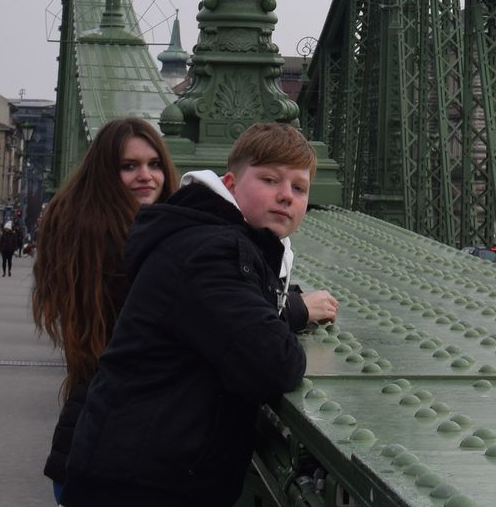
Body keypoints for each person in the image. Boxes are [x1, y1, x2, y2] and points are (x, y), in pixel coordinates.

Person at [62, 121, 325, 507]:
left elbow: (229, 328)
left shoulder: (208, 236)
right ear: (230, 184)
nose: (285, 195)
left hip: (139, 471)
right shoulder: (211, 253)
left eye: (299, 188)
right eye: (270, 180)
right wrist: (290, 317)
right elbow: (274, 362)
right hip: (144, 485)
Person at [33, 117, 180, 499]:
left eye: (154, 164)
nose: (146, 176)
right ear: (105, 175)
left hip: (85, 441)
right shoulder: (129, 247)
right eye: (129, 166)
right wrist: (289, 309)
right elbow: (200, 314)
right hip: (121, 452)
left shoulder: (85, 233)